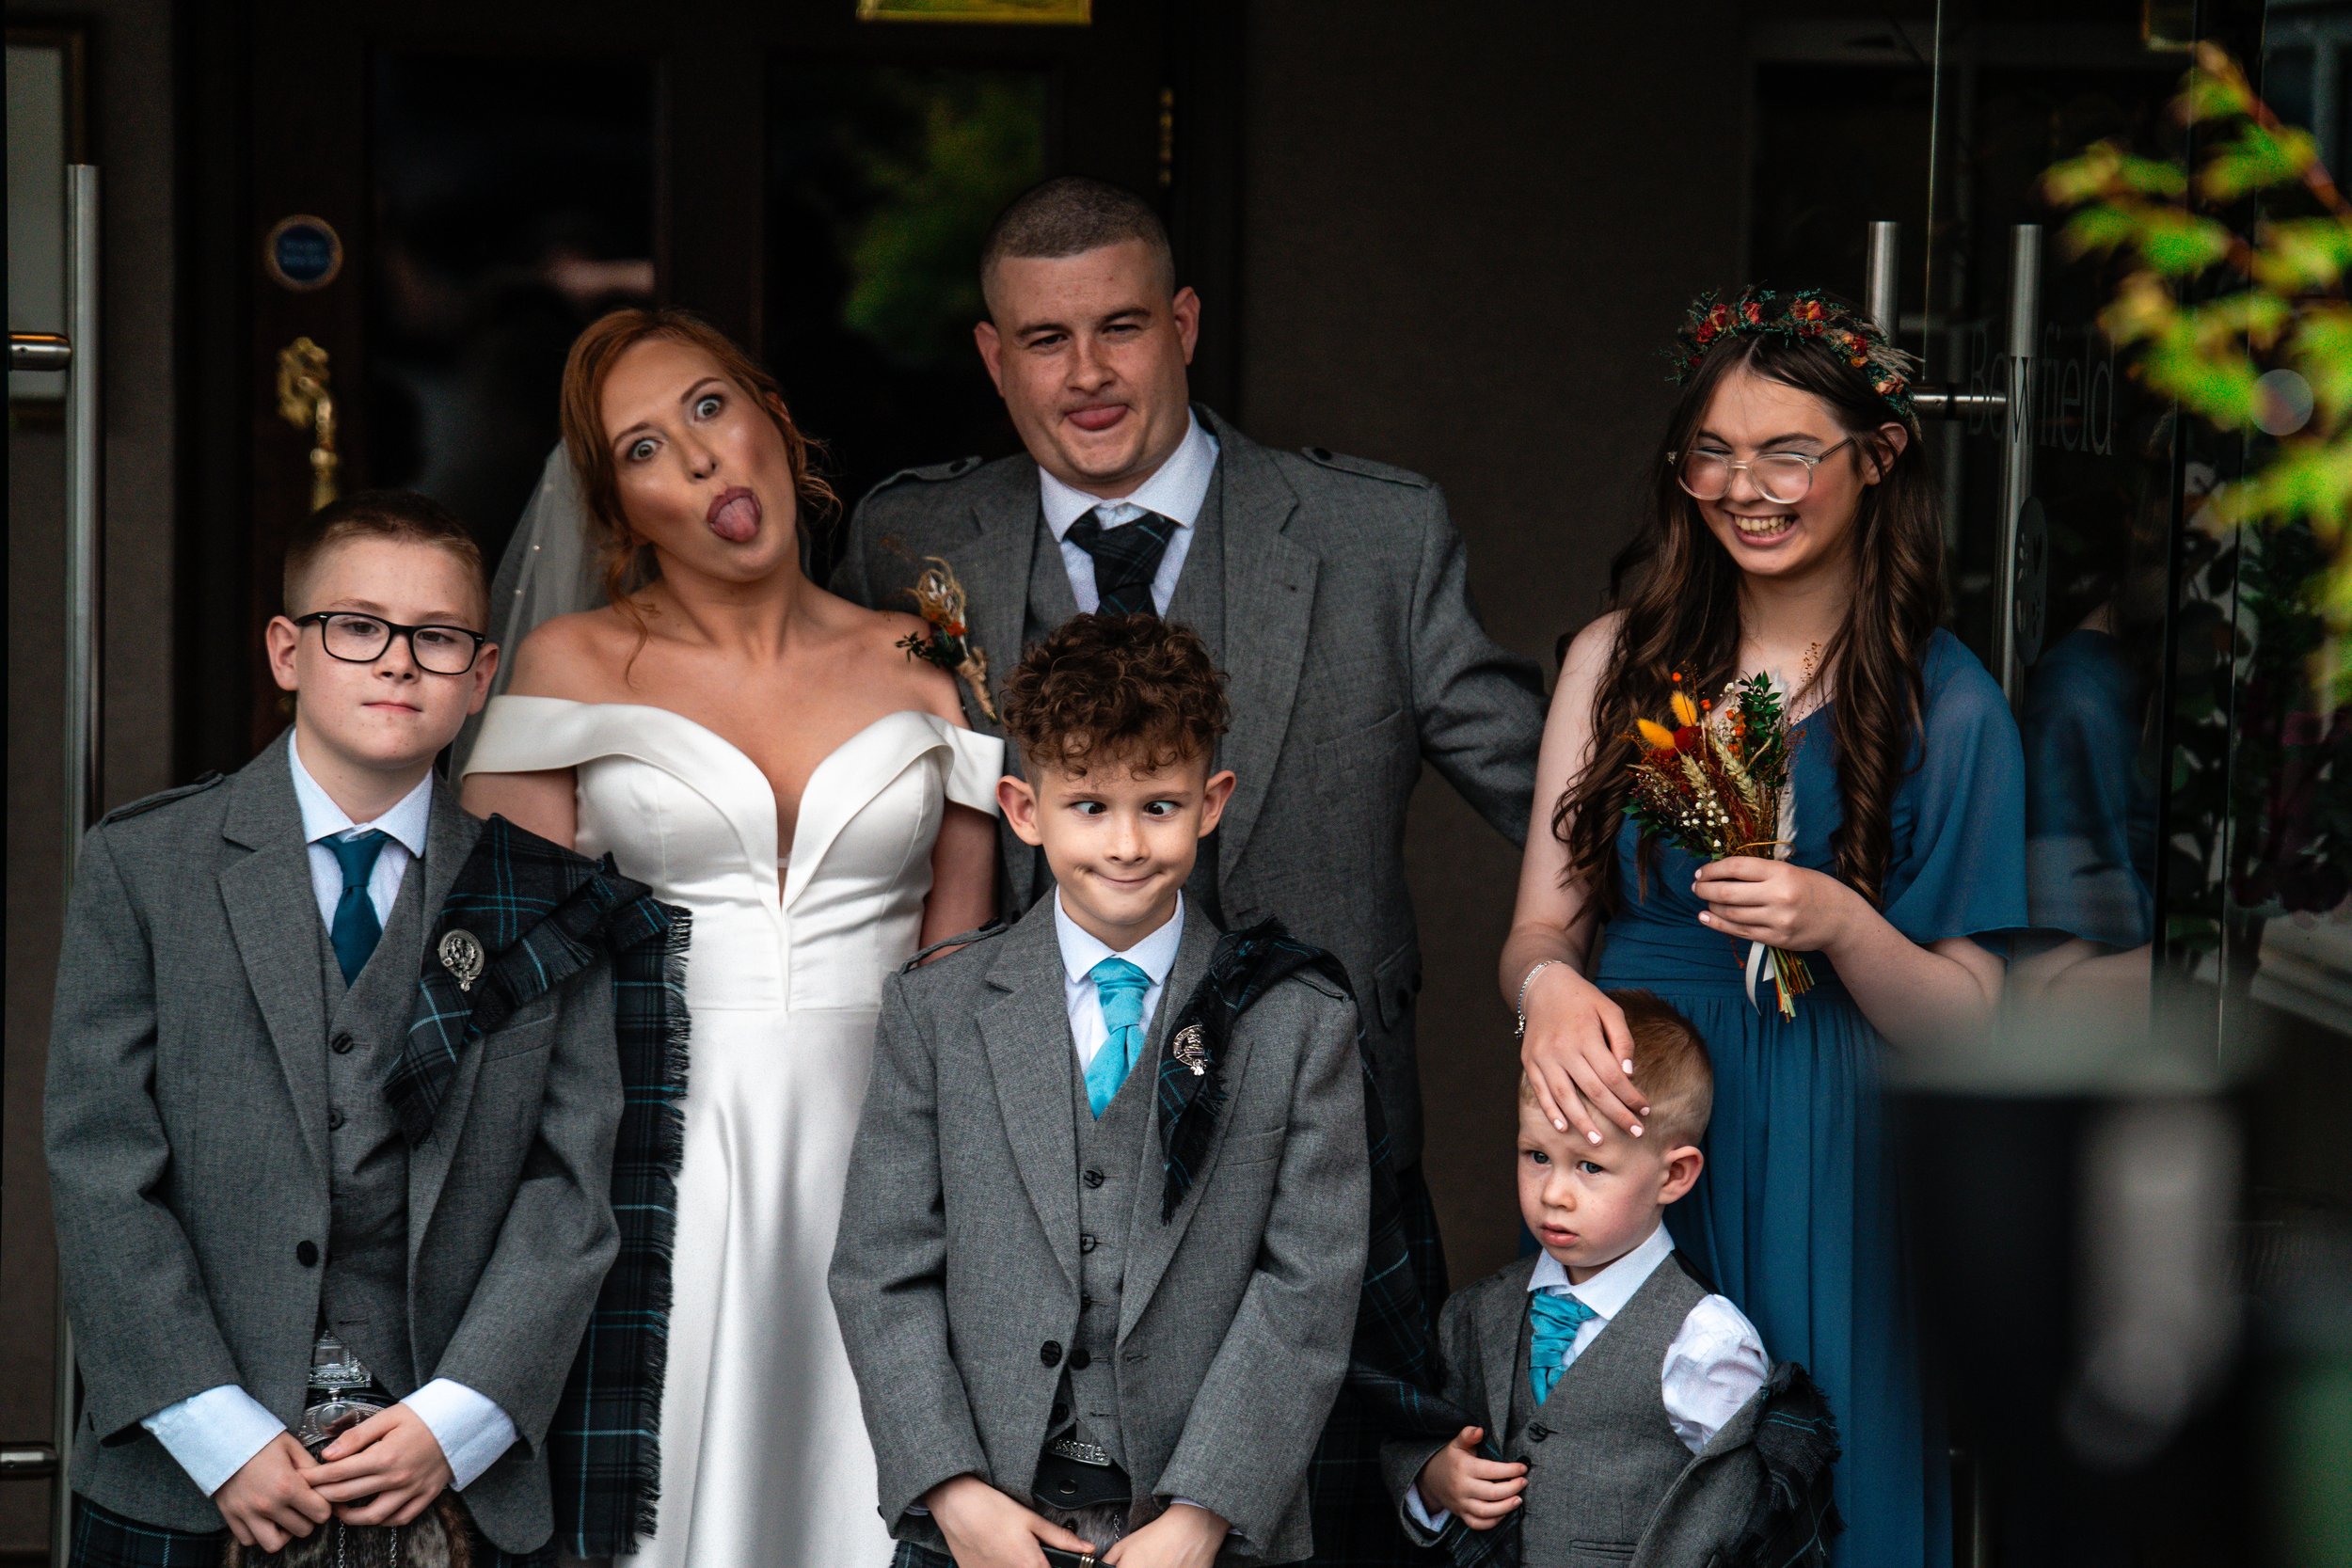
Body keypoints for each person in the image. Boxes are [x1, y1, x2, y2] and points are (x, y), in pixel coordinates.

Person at [458, 309, 1002, 1568]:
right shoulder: (571, 663)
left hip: (888, 1151)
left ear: (773, 418)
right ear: (618, 509)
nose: (700, 457)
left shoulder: (926, 657)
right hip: (656, 1161)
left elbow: (960, 962)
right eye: (644, 448)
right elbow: (506, 985)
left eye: (709, 407)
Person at [1502, 288, 2027, 1567]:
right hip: (1631, 1124)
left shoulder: (1947, 703)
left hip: (1834, 1149)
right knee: (1612, 1489)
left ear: (1878, 454)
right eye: (1714, 452)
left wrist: (1842, 921)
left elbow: (1968, 1019)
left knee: (1824, 1487)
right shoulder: (1614, 662)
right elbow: (1537, 930)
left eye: (1787, 452)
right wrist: (1548, 991)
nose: (1746, 488)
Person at [45, 492, 624, 1567]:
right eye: (357, 626)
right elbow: (98, 1164)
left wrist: (458, 1417)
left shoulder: (548, 900)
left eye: (436, 636)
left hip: (450, 1463)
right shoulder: (144, 865)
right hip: (187, 1469)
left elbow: (569, 1186)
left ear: (481, 675)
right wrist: (213, 1427)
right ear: (287, 649)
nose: (397, 660)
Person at [829, 613, 1370, 1567]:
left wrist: (1204, 1513)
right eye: (1088, 805)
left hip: (1198, 1532)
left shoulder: (1296, 1019)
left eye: (1158, 805)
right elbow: (881, 1268)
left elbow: (1308, 1288)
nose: (1125, 843)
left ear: (1212, 802)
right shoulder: (937, 1009)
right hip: (985, 1525)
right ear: (1022, 808)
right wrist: (953, 1493)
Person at [1384, 991, 1837, 1567]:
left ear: (1674, 1175)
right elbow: (1419, 1432)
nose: (1554, 1193)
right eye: (1537, 1156)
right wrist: (1433, 1478)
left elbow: (1737, 1521)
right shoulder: (1476, 1310)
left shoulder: (1705, 1343)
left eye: (1590, 1165)